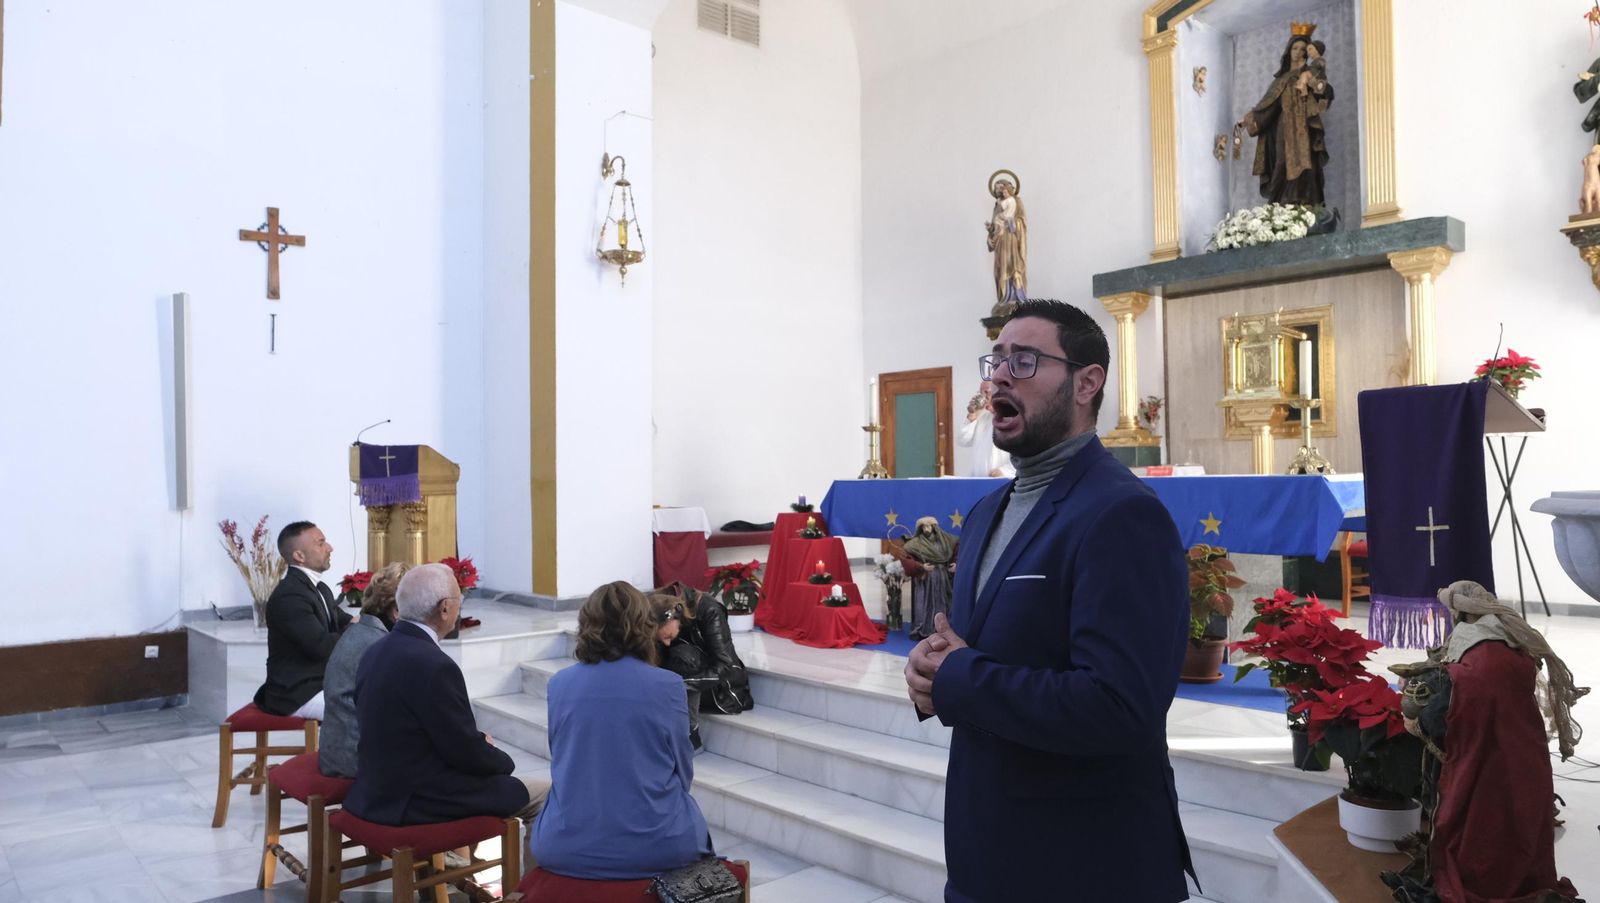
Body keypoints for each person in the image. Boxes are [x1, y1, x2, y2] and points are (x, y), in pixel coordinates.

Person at [902, 299, 1195, 902]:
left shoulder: (1121, 514)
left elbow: (1119, 706)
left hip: (1083, 865)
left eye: (1025, 360)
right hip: (987, 852)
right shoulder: (985, 513)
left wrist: (960, 677)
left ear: (1086, 383)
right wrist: (931, 673)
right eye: (996, 361)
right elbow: (975, 652)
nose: (999, 377)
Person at [1382, 581, 1585, 903]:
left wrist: (1416, 722)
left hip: (1482, 764)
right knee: (1519, 825)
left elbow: (1444, 715)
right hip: (1524, 756)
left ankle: (1482, 887)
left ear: (1460, 613)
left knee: (1478, 830)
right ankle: (1525, 884)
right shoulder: (1514, 642)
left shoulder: (1472, 653)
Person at [528, 581, 713, 879]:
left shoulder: (559, 684)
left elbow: (561, 758)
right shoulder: (668, 685)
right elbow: (682, 773)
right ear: (644, 627)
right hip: (658, 844)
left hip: (568, 846)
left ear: (586, 625)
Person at [342, 564, 547, 827]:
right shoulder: (434, 665)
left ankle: (464, 854)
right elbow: (464, 750)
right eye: (459, 600)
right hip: (416, 800)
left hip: (374, 790)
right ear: (445, 608)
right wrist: (500, 759)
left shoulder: (376, 650)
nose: (460, 607)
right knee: (546, 795)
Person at [254, 521, 354, 719]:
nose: (330, 548)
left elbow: (346, 622)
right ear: (299, 556)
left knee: (383, 698)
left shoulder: (320, 589)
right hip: (298, 693)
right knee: (366, 713)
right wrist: (354, 628)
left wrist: (362, 624)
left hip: (324, 683)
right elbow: (321, 647)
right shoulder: (290, 596)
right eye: (320, 543)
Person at [318, 562, 408, 779]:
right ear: (397, 610)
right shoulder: (382, 645)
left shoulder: (359, 630)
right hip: (357, 759)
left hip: (334, 752)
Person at [1241, 31, 1333, 206]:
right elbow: (1269, 106)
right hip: (1284, 127)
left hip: (1304, 126)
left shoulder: (1312, 72)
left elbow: (1324, 92)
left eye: (1303, 49)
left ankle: (1307, 206)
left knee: (1307, 164)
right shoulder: (1280, 80)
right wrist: (1248, 119)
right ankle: (1281, 206)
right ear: (1289, 51)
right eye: (1295, 48)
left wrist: (1314, 83)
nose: (1298, 52)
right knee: (1282, 162)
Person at [657, 587, 755, 747]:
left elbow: (725, 666)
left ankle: (691, 734)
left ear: (674, 616)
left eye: (668, 636)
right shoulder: (657, 608)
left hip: (723, 690)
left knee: (684, 655)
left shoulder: (709, 610)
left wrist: (679, 686)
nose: (667, 642)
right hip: (687, 685)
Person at [901, 516, 957, 641]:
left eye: (929, 526)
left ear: (934, 527)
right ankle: (925, 628)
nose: (926, 529)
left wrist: (955, 564)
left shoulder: (946, 541)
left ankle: (943, 629)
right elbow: (906, 560)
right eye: (923, 527)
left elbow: (956, 553)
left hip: (943, 579)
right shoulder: (914, 544)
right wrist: (921, 566)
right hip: (925, 580)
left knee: (942, 603)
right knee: (924, 605)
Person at [985, 175, 1027, 311]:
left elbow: (1022, 222)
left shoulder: (1016, 201)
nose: (998, 191)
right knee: (1000, 269)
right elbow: (995, 224)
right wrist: (990, 235)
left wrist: (1013, 223)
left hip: (1011, 240)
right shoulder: (997, 205)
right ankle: (1004, 297)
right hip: (1000, 242)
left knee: (1012, 266)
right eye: (996, 189)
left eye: (1000, 188)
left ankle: (1016, 296)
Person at [957, 381, 1016, 479]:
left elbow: (1025, 453)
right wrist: (972, 416)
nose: (983, 397)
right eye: (981, 393)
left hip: (1004, 480)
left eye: (986, 392)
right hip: (980, 480)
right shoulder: (982, 417)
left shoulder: (1013, 417)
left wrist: (1005, 471)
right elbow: (963, 441)